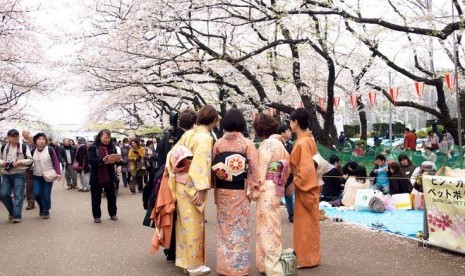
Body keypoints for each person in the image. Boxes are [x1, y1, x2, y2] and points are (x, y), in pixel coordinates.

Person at [171, 105, 218, 275]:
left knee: (183, 223)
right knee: (194, 225)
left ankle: (185, 261)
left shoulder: (188, 134)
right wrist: (201, 189)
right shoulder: (204, 137)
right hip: (192, 185)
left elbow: (172, 156)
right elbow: (200, 164)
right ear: (214, 120)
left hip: (180, 183)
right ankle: (195, 265)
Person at [212, 108, 259, 276]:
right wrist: (252, 187)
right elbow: (254, 167)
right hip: (240, 192)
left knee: (224, 229)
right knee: (240, 229)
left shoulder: (218, 144)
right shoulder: (246, 143)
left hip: (223, 190)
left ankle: (225, 267)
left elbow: (213, 168)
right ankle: (239, 268)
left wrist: (215, 185)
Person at [154, 108, 197, 263]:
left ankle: (169, 249)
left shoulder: (167, 136)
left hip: (165, 178)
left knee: (169, 213)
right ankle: (181, 250)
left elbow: (159, 157)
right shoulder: (189, 138)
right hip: (183, 182)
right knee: (182, 217)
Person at [253, 113, 290, 273]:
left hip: (266, 187)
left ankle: (270, 265)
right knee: (273, 225)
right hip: (276, 186)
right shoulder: (279, 144)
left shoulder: (268, 144)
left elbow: (260, 168)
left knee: (267, 226)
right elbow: (287, 168)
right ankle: (270, 263)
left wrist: (255, 188)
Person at [288, 108, 320, 268]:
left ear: (296, 123)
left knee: (305, 226)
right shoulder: (309, 139)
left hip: (305, 187)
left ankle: (306, 259)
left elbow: (307, 169)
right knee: (309, 224)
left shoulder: (302, 142)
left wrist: (295, 183)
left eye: (291, 120)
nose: (289, 123)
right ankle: (310, 257)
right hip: (310, 186)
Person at [88, 129, 121, 223]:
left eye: (109, 137)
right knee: (96, 197)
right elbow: (90, 160)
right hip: (97, 175)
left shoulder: (112, 146)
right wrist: (102, 160)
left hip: (109, 175)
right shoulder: (93, 147)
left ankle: (113, 213)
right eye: (105, 137)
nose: (107, 139)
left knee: (112, 196)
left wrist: (118, 160)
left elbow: (116, 161)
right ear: (100, 137)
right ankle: (97, 216)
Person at [0, 129, 33, 223]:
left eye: (17, 136)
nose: (15, 138)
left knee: (18, 195)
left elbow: (30, 160)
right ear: (8, 137)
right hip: (6, 174)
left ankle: (17, 216)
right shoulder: (3, 147)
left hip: (19, 174)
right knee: (3, 194)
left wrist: (20, 162)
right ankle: (12, 211)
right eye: (13, 136)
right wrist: (3, 163)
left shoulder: (23, 147)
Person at [31, 133, 62, 219]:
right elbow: (29, 162)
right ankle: (41, 206)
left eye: (43, 139)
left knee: (46, 194)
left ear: (45, 141)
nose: (41, 141)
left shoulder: (50, 150)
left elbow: (56, 162)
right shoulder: (33, 151)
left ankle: (46, 210)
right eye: (39, 139)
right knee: (36, 194)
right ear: (35, 141)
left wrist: (58, 173)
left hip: (48, 176)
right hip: (36, 176)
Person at [278, 124, 294, 223]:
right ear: (282, 133)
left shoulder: (290, 145)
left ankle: (292, 215)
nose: (290, 132)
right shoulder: (277, 145)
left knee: (288, 194)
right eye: (288, 131)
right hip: (278, 173)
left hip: (288, 173)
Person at [22, 129, 36, 210]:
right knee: (29, 186)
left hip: (37, 165)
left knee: (38, 184)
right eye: (24, 132)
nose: (26, 134)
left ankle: (39, 199)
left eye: (28, 132)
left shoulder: (34, 142)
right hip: (27, 167)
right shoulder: (20, 144)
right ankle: (31, 202)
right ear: (22, 134)